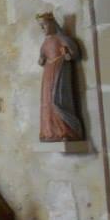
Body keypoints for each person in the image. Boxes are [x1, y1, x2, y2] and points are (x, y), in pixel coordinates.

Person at [37, 12, 83, 142]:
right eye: (41, 26)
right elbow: (41, 57)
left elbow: (75, 54)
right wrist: (41, 60)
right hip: (48, 73)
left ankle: (67, 131)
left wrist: (68, 54)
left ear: (52, 24)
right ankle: (50, 132)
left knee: (58, 99)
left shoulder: (62, 39)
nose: (43, 29)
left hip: (60, 70)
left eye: (44, 25)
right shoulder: (45, 43)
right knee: (47, 102)